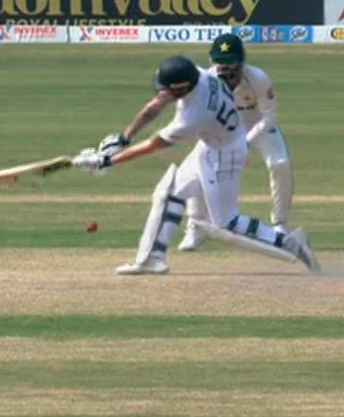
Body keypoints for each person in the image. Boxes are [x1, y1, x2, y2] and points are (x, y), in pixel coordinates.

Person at [71, 54, 320, 275]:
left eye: (169, 89)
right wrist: (124, 138)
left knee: (226, 223)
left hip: (224, 154)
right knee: (169, 193)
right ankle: (153, 258)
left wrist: (107, 161)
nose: (163, 93)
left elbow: (153, 145)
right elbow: (157, 103)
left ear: (181, 89)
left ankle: (288, 241)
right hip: (211, 144)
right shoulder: (199, 74)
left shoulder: (193, 116)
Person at [178, 34, 295, 252]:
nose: (226, 69)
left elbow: (269, 116)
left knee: (280, 163)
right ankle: (196, 226)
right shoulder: (206, 81)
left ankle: (280, 225)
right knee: (197, 166)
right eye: (221, 62)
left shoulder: (258, 78)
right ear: (212, 61)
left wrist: (245, 142)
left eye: (231, 62)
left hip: (256, 126)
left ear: (242, 60)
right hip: (222, 129)